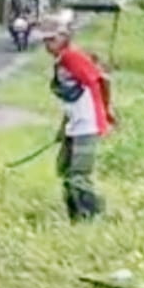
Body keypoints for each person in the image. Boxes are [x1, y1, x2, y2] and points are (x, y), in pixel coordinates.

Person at [43, 22, 114, 220]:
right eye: (45, 40)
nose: (48, 44)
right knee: (64, 170)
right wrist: (62, 128)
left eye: (53, 39)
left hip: (87, 123)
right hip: (74, 124)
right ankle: (74, 215)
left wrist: (107, 111)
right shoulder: (60, 62)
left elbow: (102, 80)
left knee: (79, 175)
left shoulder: (72, 57)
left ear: (65, 38)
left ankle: (93, 215)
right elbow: (71, 99)